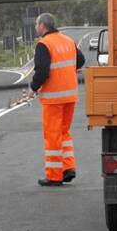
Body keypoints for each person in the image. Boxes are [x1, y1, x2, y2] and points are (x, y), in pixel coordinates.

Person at [30, 13, 85, 186]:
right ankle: (68, 168)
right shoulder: (68, 40)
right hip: (70, 95)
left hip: (53, 98)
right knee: (64, 133)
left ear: (42, 26)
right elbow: (81, 60)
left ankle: (54, 175)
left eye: (36, 25)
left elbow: (42, 71)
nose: (36, 28)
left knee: (52, 135)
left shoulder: (44, 44)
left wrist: (33, 87)